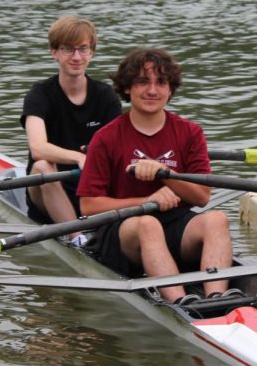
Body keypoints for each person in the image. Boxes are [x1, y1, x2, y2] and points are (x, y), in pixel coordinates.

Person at [77, 48, 235, 305]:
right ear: (127, 88)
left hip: (175, 225)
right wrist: (147, 200)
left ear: (170, 89)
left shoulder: (190, 132)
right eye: (142, 82)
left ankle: (216, 297)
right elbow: (89, 205)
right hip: (123, 231)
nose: (152, 90)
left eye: (161, 82)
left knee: (216, 219)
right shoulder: (106, 137)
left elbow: (203, 197)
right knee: (147, 224)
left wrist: (167, 176)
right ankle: (181, 304)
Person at [20, 16, 123, 224]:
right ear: (54, 53)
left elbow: (117, 150)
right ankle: (76, 236)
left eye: (83, 49)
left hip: (91, 188)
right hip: (47, 186)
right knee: (42, 166)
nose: (76, 57)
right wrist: (79, 157)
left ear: (91, 53)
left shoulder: (106, 96)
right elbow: (38, 148)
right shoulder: (39, 95)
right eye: (68, 49)